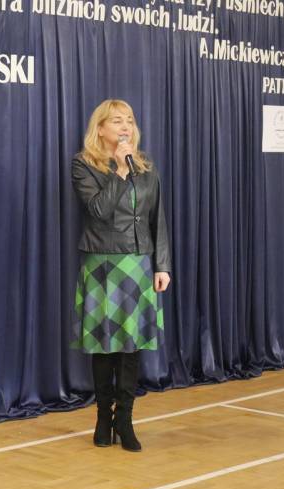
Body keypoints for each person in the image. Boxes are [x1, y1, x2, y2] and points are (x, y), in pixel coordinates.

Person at [71, 99, 171, 452]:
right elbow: (98, 210)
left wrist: (162, 265)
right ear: (100, 128)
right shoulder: (83, 165)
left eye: (129, 120)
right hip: (102, 265)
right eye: (116, 120)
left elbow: (157, 219)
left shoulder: (146, 166)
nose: (125, 126)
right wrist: (118, 170)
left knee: (131, 349)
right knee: (104, 346)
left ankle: (125, 420)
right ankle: (103, 418)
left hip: (138, 264)